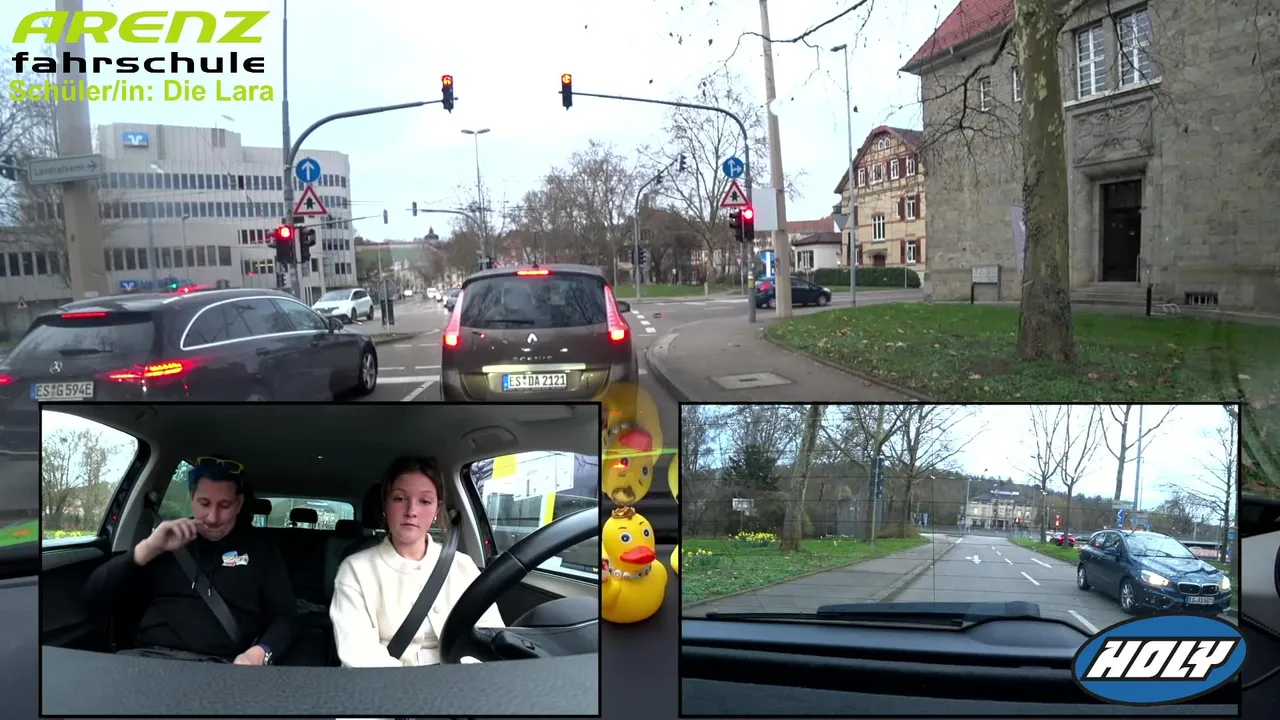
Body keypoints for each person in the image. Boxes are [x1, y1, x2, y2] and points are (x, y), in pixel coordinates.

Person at [84, 457, 297, 665]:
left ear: (239, 504)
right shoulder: (166, 540)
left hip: (223, 665)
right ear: (192, 498)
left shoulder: (262, 549)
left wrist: (261, 652)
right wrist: (149, 548)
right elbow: (95, 595)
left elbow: (286, 618)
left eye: (224, 505)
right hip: (149, 657)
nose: (213, 517)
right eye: (204, 503)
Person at [330, 455, 505, 667]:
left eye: (425, 501)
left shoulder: (462, 566)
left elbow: (489, 636)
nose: (411, 511)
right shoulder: (355, 570)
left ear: (437, 510)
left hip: (461, 679)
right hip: (385, 682)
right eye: (399, 499)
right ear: (385, 505)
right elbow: (359, 653)